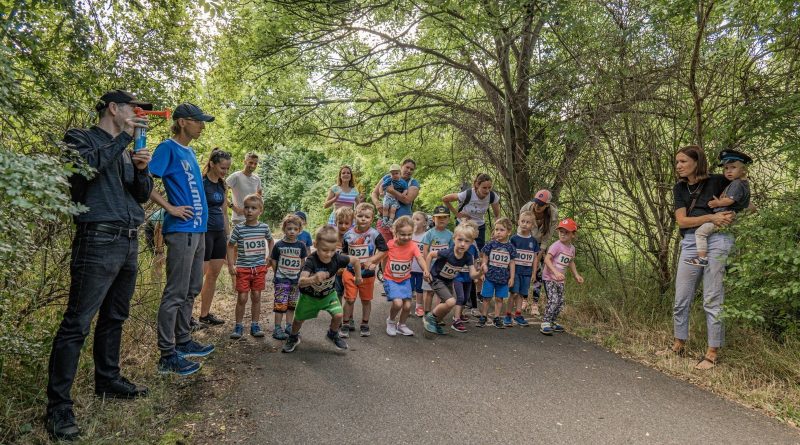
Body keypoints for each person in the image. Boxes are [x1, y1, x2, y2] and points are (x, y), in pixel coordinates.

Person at [46, 90, 152, 440]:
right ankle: (59, 407)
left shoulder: (126, 150)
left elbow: (138, 195)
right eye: (133, 109)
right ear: (113, 108)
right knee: (77, 323)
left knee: (115, 317)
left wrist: (141, 169)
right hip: (97, 238)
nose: (138, 115)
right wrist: (123, 139)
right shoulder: (80, 138)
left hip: (128, 239)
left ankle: (107, 380)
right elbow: (86, 169)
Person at [149, 102, 216, 376]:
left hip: (198, 230)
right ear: (183, 122)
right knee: (175, 291)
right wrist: (169, 208)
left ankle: (184, 340)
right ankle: (167, 355)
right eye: (198, 120)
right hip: (181, 229)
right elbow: (145, 179)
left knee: (191, 287)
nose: (202, 125)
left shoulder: (189, 151)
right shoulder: (167, 148)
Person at [660, 145, 735, 370]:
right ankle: (678, 343)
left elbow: (737, 200)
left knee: (712, 296)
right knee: (682, 296)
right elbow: (682, 221)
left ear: (697, 161)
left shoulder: (718, 181)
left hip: (718, 240)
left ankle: (712, 352)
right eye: (677, 162)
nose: (679, 166)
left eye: (683, 161)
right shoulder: (679, 188)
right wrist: (711, 217)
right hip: (692, 242)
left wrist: (729, 216)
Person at [282, 226, 362, 353]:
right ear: (316, 244)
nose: (329, 254)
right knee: (298, 320)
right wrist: (313, 279)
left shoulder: (337, 257)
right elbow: (301, 282)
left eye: (332, 250)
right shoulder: (311, 260)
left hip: (329, 295)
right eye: (325, 250)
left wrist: (358, 277)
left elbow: (356, 261)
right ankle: (293, 337)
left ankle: (332, 333)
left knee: (338, 315)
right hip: (309, 297)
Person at [684, 150, 752, 267]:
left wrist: (717, 203)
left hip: (724, 216)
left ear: (743, 170)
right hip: (730, 217)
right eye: (726, 168)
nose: (729, 171)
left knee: (700, 232)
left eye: (733, 167)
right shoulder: (743, 183)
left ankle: (702, 258)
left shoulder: (737, 184)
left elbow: (730, 200)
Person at [226, 194, 274, 339]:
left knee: (257, 295)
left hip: (259, 268)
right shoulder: (239, 229)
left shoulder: (264, 227)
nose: (249, 211)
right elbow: (230, 245)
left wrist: (270, 257)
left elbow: (271, 241)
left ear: (260, 211)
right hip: (243, 269)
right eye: (246, 207)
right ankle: (238, 326)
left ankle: (255, 324)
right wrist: (231, 264)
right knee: (242, 297)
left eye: (253, 208)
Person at [424, 222, 483, 334]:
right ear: (454, 239)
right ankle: (430, 317)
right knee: (451, 302)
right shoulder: (448, 252)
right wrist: (426, 271)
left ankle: (436, 322)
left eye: (466, 241)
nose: (462, 244)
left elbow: (472, 275)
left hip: (448, 281)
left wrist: (480, 272)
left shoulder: (467, 257)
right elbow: (431, 254)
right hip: (436, 279)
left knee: (448, 306)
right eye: (460, 240)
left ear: (471, 243)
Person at [341, 203, 389, 338]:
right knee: (350, 299)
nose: (363, 219)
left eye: (367, 217)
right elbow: (344, 252)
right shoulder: (348, 234)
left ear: (372, 218)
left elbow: (384, 250)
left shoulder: (375, 234)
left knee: (366, 300)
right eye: (360, 216)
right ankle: (345, 324)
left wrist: (372, 260)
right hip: (350, 272)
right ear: (355, 216)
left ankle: (365, 323)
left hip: (367, 274)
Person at [197, 148, 232, 327]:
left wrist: (228, 235)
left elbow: (225, 212)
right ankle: (187, 318)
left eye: (227, 169)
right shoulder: (201, 183)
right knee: (198, 276)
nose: (225, 172)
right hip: (204, 232)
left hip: (219, 233)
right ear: (212, 164)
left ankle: (204, 315)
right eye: (222, 168)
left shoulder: (222, 185)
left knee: (213, 275)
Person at [383, 216, 430, 337]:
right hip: (391, 279)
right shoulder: (390, 244)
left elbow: (420, 258)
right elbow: (383, 257)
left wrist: (425, 269)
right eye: (403, 234)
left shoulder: (412, 245)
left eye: (409, 234)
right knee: (398, 303)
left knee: (408, 305)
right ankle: (391, 321)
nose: (406, 237)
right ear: (395, 232)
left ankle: (402, 325)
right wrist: (383, 272)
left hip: (405, 279)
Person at [540, 218, 584, 335]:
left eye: (566, 232)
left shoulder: (572, 249)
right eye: (561, 232)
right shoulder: (556, 245)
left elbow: (570, 262)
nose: (563, 234)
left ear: (573, 235)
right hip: (549, 277)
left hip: (560, 280)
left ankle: (553, 322)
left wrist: (576, 275)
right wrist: (555, 272)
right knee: (553, 300)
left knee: (560, 302)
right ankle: (545, 322)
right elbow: (547, 259)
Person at [520, 189, 559, 315]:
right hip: (527, 241)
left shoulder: (553, 215)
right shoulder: (526, 208)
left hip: (541, 244)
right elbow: (521, 228)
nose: (537, 206)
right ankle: (524, 299)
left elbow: (547, 237)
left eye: (541, 205)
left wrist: (540, 253)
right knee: (525, 270)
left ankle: (535, 303)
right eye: (536, 202)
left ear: (547, 205)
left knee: (538, 273)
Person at [270, 214, 309, 340]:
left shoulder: (301, 246)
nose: (292, 231)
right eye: (289, 229)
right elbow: (274, 260)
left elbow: (303, 261)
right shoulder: (279, 245)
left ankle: (289, 326)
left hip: (295, 280)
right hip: (281, 278)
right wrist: (277, 274)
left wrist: (299, 274)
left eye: (295, 229)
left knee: (292, 304)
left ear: (299, 230)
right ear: (284, 229)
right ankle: (277, 328)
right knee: (280, 304)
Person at [442, 173, 501, 250]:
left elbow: (497, 215)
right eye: (484, 187)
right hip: (464, 225)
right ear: (477, 185)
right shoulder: (467, 194)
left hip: (479, 226)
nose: (487, 191)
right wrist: (457, 214)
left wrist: (495, 229)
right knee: (460, 250)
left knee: (479, 251)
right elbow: (445, 199)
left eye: (489, 188)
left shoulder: (492, 196)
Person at [478, 217, 517, 329]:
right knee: (486, 298)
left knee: (499, 299)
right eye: (496, 229)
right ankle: (483, 316)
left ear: (509, 232)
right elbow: (484, 258)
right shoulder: (491, 244)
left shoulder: (510, 247)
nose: (498, 232)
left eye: (502, 230)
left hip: (503, 279)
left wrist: (512, 278)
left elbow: (512, 263)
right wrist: (482, 270)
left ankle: (496, 317)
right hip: (489, 276)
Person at [371, 159, 421, 240]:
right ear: (401, 167)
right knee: (384, 248)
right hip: (385, 222)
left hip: (403, 224)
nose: (409, 171)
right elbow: (374, 193)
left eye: (412, 169)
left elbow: (407, 200)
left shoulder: (413, 183)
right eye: (407, 167)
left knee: (401, 249)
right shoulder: (387, 177)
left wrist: (392, 191)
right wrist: (377, 203)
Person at [507, 211, 539, 327]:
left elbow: (535, 258)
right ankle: (508, 315)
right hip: (515, 272)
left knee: (521, 294)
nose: (525, 224)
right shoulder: (514, 239)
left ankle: (518, 315)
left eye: (528, 222)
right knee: (513, 293)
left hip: (526, 273)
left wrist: (534, 273)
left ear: (533, 225)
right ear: (518, 222)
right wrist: (510, 273)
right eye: (523, 221)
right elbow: (509, 257)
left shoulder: (533, 241)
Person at [420, 206, 454, 315]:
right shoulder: (429, 233)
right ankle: (427, 313)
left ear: (448, 219)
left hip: (443, 269)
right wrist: (426, 268)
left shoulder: (450, 235)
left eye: (444, 217)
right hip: (430, 267)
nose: (441, 219)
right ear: (433, 219)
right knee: (429, 291)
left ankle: (436, 314)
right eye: (438, 217)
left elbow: (451, 252)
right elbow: (425, 251)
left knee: (441, 293)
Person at [227, 152, 263, 227]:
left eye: (255, 163)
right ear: (245, 162)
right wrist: (234, 208)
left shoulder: (257, 179)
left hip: (253, 219)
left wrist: (258, 212)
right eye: (250, 162)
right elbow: (221, 192)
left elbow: (259, 198)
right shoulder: (235, 176)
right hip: (238, 219)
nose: (253, 165)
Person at [333, 207, 355, 301]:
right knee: (337, 294)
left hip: (349, 271)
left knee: (350, 297)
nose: (343, 226)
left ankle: (348, 315)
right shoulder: (332, 237)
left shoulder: (353, 238)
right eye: (340, 223)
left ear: (351, 223)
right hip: (335, 272)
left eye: (346, 223)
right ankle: (338, 314)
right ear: (335, 222)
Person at [410, 211, 428, 317]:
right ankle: (406, 305)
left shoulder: (427, 235)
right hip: (410, 267)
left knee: (420, 289)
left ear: (425, 223)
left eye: (417, 219)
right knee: (409, 287)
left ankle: (419, 306)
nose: (414, 221)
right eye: (413, 219)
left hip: (421, 268)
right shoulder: (409, 234)